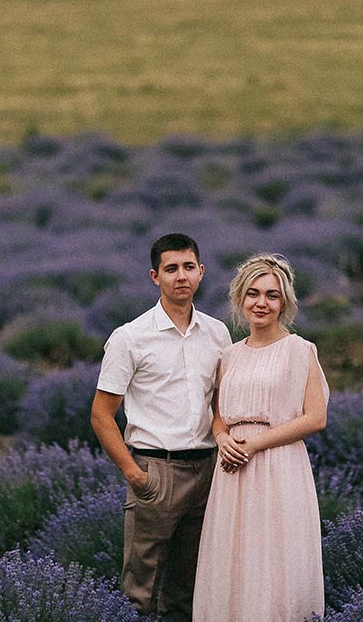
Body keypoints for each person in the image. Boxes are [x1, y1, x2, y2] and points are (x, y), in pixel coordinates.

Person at [91, 233, 232, 621]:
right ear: (155, 276)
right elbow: (102, 414)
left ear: (201, 272)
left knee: (188, 591)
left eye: (188, 267)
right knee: (140, 592)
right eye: (171, 269)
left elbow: (220, 401)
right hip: (156, 472)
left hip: (207, 471)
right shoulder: (130, 338)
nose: (181, 276)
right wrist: (134, 474)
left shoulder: (218, 333)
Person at [193, 253, 329, 622]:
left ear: (284, 302)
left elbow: (316, 418)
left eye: (271, 295)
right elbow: (218, 419)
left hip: (279, 467)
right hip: (232, 470)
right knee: (234, 560)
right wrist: (222, 440)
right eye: (253, 293)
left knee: (275, 559)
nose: (261, 303)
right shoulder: (229, 356)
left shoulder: (300, 350)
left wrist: (254, 444)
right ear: (240, 298)